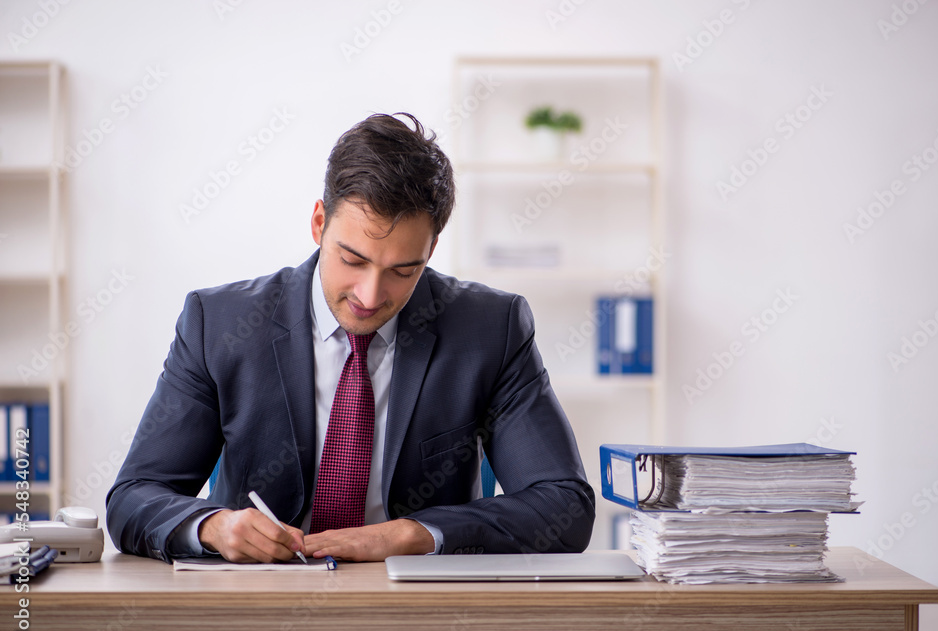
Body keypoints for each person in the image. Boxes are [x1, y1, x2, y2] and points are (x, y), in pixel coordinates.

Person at [106, 112, 595, 563]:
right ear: (319, 223)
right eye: (353, 260)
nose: (370, 295)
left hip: (414, 605)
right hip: (259, 599)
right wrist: (212, 526)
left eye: (403, 270)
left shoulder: (491, 329)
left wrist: (415, 534)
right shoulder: (218, 323)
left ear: (431, 250)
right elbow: (133, 498)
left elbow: (564, 506)